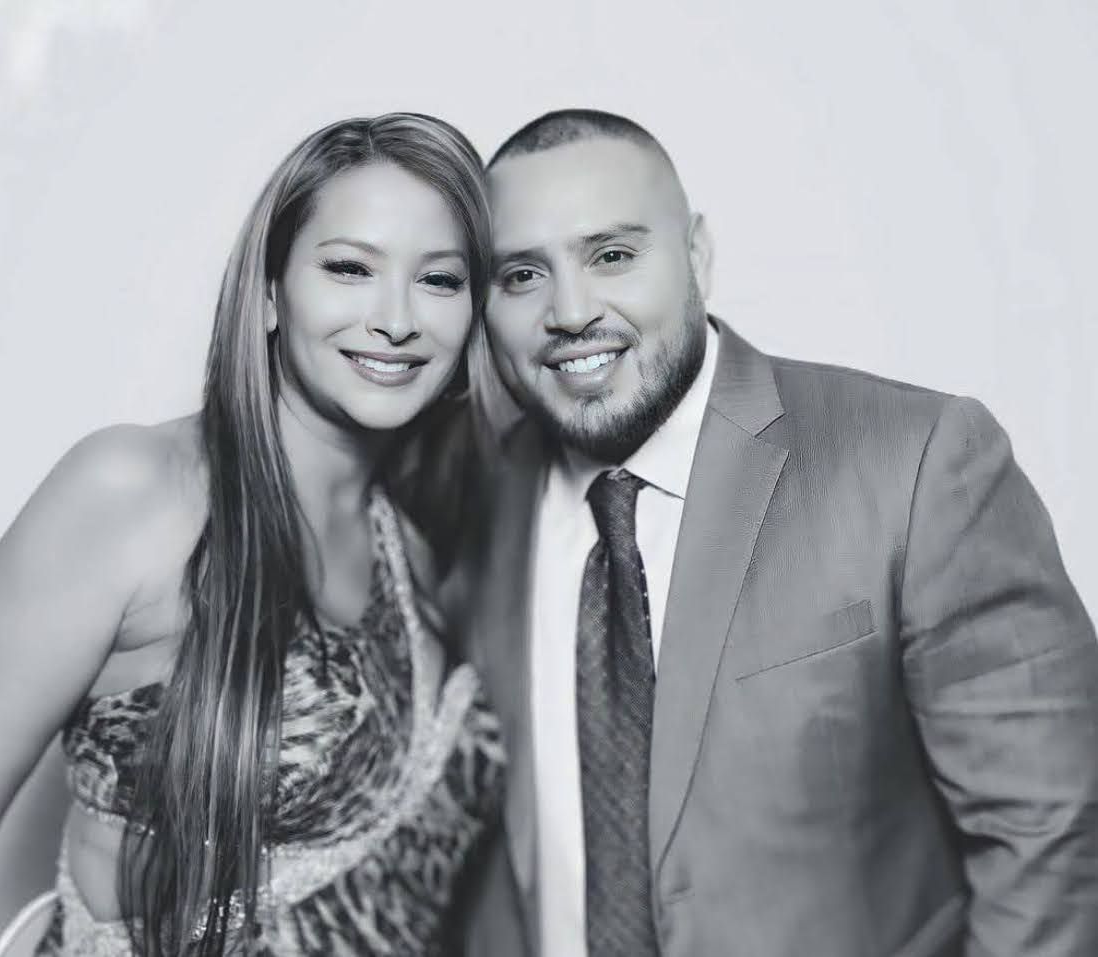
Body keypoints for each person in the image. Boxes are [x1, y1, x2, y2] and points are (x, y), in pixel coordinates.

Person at [460, 108, 1098, 957]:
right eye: (520, 275)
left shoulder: (916, 461)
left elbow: (1052, 830)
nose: (570, 311)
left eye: (612, 255)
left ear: (696, 255)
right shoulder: (465, 509)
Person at [0, 112, 505, 956]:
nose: (396, 319)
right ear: (269, 291)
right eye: (348, 268)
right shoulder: (135, 492)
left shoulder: (406, 546)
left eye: (439, 281)